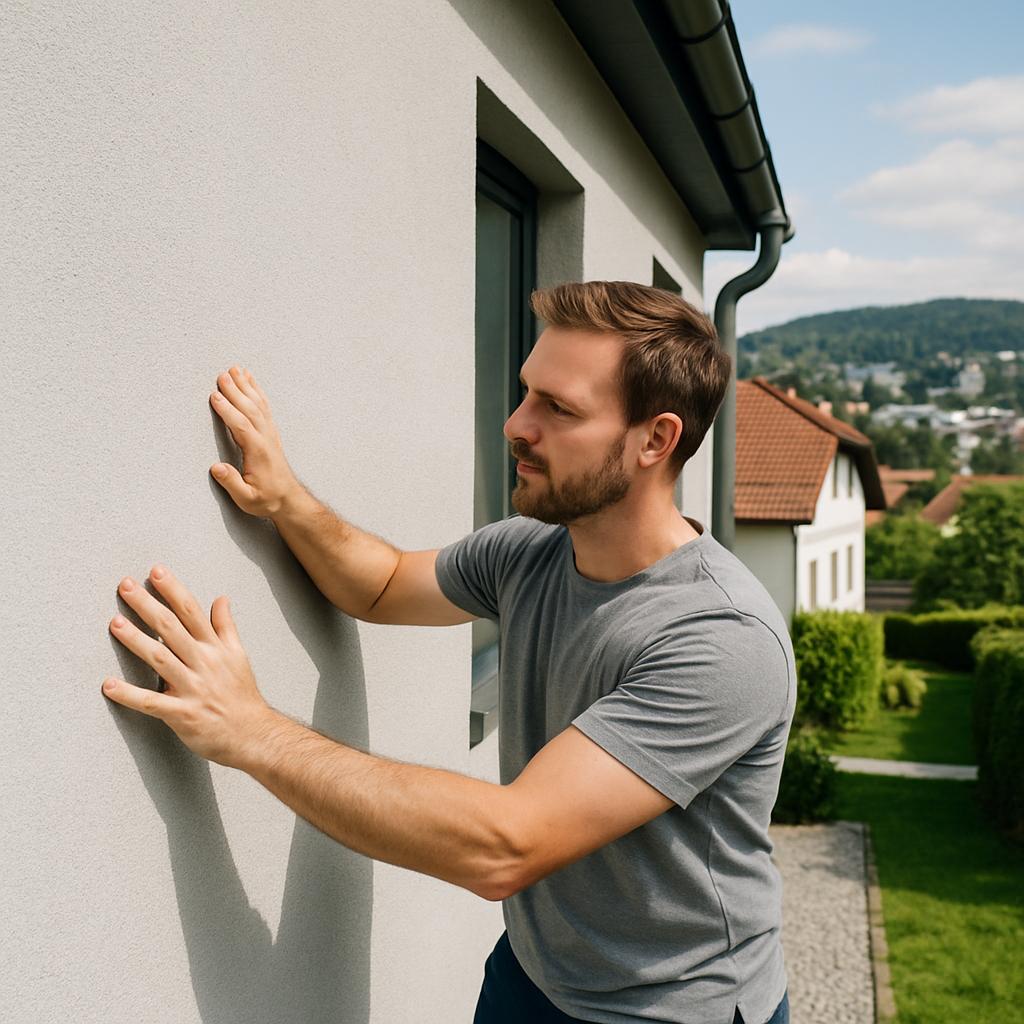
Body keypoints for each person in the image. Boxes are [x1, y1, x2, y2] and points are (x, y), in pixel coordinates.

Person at [102, 281, 795, 1024]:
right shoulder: (532, 550)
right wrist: (286, 500)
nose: (516, 424)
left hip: (671, 1009)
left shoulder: (719, 638)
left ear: (655, 440)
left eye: (558, 409)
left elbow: (505, 846)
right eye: (527, 392)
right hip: (535, 974)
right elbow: (385, 584)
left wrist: (250, 730)